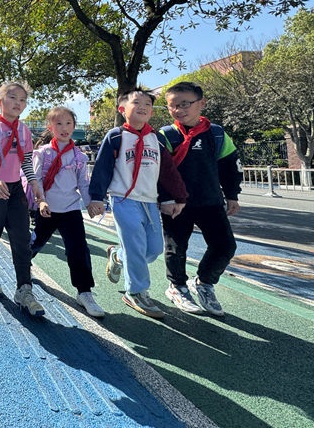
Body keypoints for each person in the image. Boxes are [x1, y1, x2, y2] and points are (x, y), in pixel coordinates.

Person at [87, 89, 188, 318]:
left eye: (147, 104)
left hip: (149, 201)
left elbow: (167, 171)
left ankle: (118, 255)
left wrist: (177, 197)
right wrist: (96, 198)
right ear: (122, 109)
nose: (143, 106)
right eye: (136, 102)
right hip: (123, 199)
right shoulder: (116, 136)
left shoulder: (156, 138)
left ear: (151, 112)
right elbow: (103, 168)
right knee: (135, 244)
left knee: (154, 249)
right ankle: (136, 291)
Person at [158, 82, 242, 317]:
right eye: (172, 106)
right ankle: (177, 287)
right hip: (177, 203)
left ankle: (204, 282)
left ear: (202, 103)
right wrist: (166, 198)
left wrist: (232, 195)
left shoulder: (217, 134)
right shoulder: (165, 135)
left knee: (225, 246)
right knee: (176, 247)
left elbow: (230, 166)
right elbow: (159, 171)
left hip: (210, 201)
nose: (178, 110)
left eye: (185, 104)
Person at [0, 82, 46, 316]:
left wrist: (34, 185)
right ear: (0, 101)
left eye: (23, 100)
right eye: (13, 97)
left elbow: (26, 161)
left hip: (15, 191)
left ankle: (25, 290)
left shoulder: (24, 131)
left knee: (22, 240)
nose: (18, 103)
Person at [31, 107, 105, 318]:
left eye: (68, 123)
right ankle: (23, 263)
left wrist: (90, 203)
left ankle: (84, 292)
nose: (64, 128)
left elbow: (83, 183)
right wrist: (41, 202)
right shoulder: (43, 153)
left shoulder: (79, 156)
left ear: (74, 126)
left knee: (78, 249)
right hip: (47, 209)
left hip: (71, 209)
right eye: (59, 124)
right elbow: (35, 179)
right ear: (50, 127)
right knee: (36, 242)